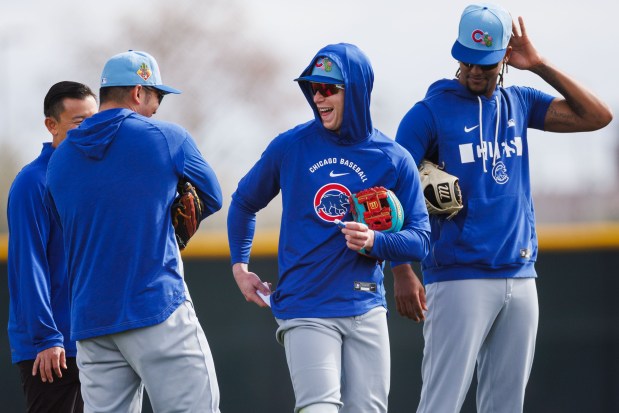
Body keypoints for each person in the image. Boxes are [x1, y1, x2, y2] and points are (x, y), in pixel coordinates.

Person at [394, 4, 613, 413]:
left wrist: (540, 64)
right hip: (458, 277)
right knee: (440, 404)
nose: (476, 70)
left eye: (487, 63)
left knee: (507, 406)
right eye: (468, 60)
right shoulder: (429, 113)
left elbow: (597, 116)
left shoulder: (520, 103)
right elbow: (389, 192)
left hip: (520, 272)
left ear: (505, 58)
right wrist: (402, 270)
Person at [227, 43, 431, 413]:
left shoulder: (393, 158)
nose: (318, 96)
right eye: (313, 88)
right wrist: (239, 268)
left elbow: (421, 240)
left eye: (328, 88)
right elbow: (243, 202)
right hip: (306, 306)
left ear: (355, 91)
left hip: (366, 304)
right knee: (318, 407)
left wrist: (376, 240)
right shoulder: (291, 146)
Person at [46, 51, 223, 413]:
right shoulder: (167, 137)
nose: (158, 104)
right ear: (138, 92)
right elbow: (213, 197)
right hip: (155, 305)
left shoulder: (59, 160)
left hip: (91, 323)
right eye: (156, 95)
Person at [7, 81, 97, 413]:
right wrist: (47, 338)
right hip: (53, 349)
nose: (88, 128)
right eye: (78, 122)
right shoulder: (33, 183)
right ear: (52, 125)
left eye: (93, 119)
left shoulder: (91, 178)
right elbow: (28, 267)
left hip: (96, 340)